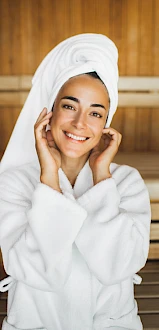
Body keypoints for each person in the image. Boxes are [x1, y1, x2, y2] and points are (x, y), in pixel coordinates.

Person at [0, 34, 151, 330]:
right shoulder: (14, 183)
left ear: (106, 123)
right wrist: (48, 180)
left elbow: (116, 267)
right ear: (49, 112)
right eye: (70, 106)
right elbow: (40, 273)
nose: (80, 123)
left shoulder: (125, 182)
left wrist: (102, 178)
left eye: (96, 112)